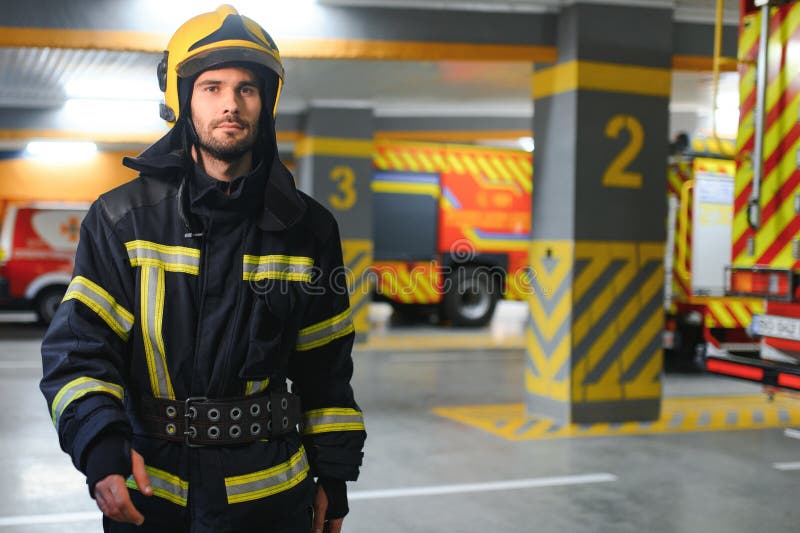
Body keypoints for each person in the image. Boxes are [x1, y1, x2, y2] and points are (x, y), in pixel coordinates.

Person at [39, 5, 366, 532]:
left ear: (266, 102)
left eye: (246, 88)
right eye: (212, 87)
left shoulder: (308, 229)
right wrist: (99, 445)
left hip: (270, 503)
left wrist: (334, 475)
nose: (230, 104)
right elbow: (80, 351)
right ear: (181, 98)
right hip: (152, 500)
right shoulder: (122, 220)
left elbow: (326, 367)